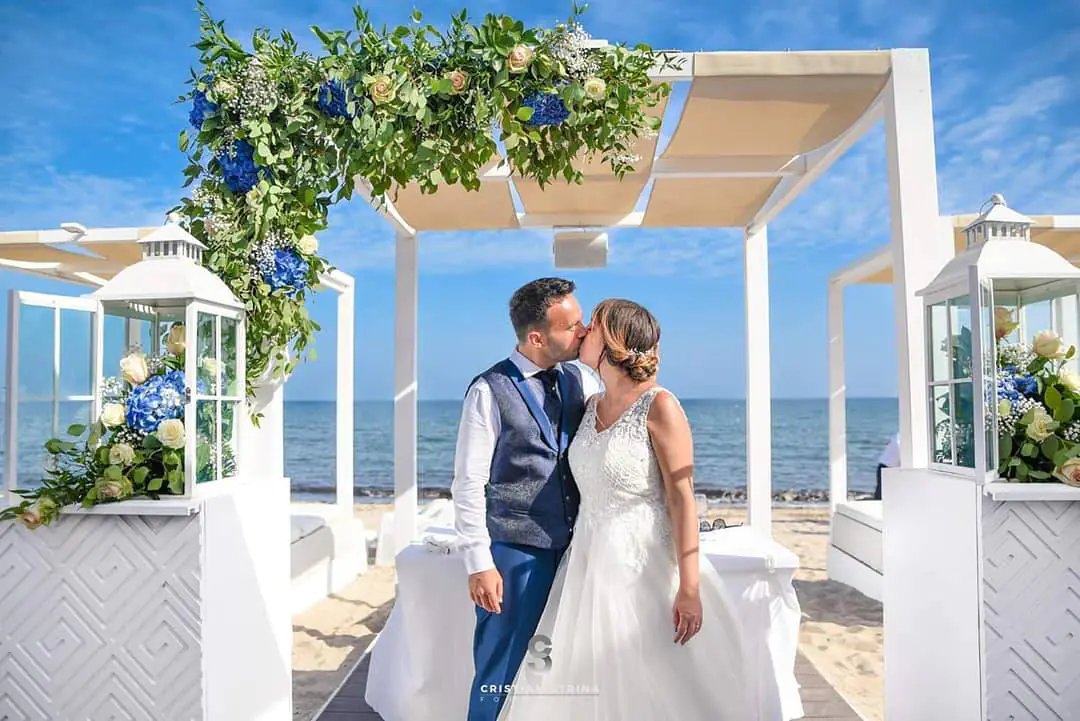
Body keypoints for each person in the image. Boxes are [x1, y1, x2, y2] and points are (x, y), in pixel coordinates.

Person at [497, 299, 752, 721]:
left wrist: (689, 588)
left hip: (644, 567)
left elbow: (681, 498)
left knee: (652, 683)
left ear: (612, 341)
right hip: (587, 564)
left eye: (591, 326)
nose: (581, 331)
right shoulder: (591, 404)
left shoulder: (659, 406)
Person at [451, 277, 601, 721]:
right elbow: (467, 481)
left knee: (559, 668)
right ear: (537, 337)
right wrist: (478, 561)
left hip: (574, 549)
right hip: (516, 553)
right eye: (572, 325)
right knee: (502, 665)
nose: (584, 330)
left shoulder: (579, 377)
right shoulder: (487, 390)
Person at [875, 432, 900, 500]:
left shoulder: (898, 436)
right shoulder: (901, 439)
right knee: (882, 494)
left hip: (885, 465)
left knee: (882, 493)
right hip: (887, 467)